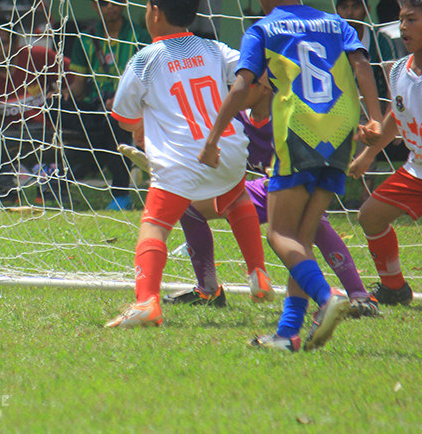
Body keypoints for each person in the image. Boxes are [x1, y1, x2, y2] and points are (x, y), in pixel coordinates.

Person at [200, 0, 383, 352]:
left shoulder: (262, 30)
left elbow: (242, 85)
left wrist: (212, 139)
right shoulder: (338, 24)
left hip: (299, 131)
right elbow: (361, 65)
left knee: (279, 234)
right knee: (302, 235)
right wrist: (374, 117)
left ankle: (327, 296)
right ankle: (287, 333)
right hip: (339, 132)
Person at [127, 75, 377, 316]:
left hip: (295, 185)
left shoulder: (289, 115)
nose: (235, 90)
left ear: (265, 88)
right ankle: (208, 290)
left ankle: (360, 295)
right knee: (189, 207)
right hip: (257, 190)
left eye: (244, 85)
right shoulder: (235, 117)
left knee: (314, 223)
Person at [104, 0, 263, 328]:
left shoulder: (144, 60)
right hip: (231, 150)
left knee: (155, 225)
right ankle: (259, 275)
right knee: (237, 199)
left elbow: (125, 119)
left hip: (181, 159)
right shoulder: (213, 48)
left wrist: (146, 122)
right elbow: (253, 75)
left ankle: (146, 302)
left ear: (155, 13)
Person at [347, 0, 422, 307]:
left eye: (412, 19)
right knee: (371, 216)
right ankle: (394, 287)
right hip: (416, 167)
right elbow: (396, 112)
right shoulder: (398, 70)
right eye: (401, 19)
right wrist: (368, 153)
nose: (403, 27)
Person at [62, 0, 149, 210]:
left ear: (125, 3)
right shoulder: (86, 38)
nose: (110, 7)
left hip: (131, 108)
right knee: (55, 108)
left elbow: (148, 82)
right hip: (95, 106)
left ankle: (120, 193)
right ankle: (58, 181)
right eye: (103, 2)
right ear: (94, 5)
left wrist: (122, 99)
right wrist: (64, 95)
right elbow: (79, 84)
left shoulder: (140, 37)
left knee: (111, 122)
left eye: (116, 1)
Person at [0, 23, 69, 204]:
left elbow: (73, 77)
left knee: (53, 190)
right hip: (5, 135)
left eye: (4, 42)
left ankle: (50, 185)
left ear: (16, 42)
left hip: (41, 129)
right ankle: (4, 188)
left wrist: (61, 90)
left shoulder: (38, 56)